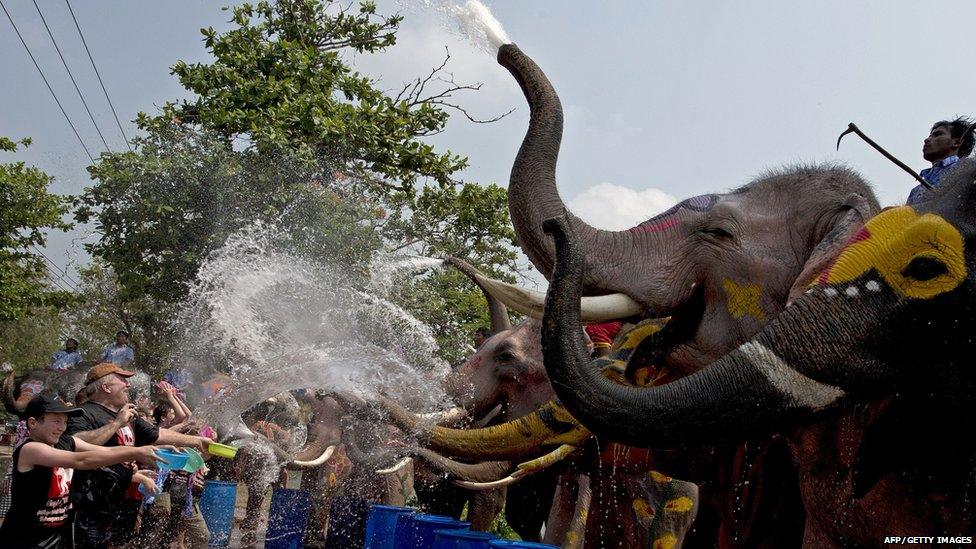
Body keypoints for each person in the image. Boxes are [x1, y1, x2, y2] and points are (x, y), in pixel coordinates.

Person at [66, 363, 212, 548]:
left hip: (117, 501)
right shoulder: (84, 413)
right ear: (106, 387)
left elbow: (158, 434)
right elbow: (76, 443)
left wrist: (197, 441)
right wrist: (117, 424)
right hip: (87, 504)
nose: (128, 385)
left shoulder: (128, 416)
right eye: (122, 380)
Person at [0, 394, 162, 549]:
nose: (62, 428)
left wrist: (150, 451)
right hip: (25, 539)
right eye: (56, 421)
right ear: (33, 423)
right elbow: (81, 460)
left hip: (57, 537)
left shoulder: (66, 441)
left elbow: (102, 452)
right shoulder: (30, 449)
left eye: (65, 421)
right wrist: (135, 452)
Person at [907, 116, 975, 204]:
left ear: (956, 142)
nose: (926, 139)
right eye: (930, 136)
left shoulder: (970, 169)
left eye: (938, 134)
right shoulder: (915, 192)